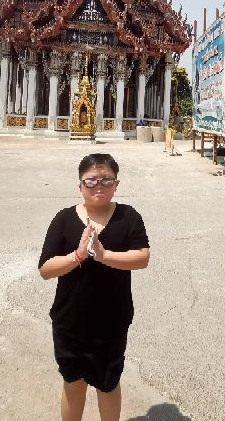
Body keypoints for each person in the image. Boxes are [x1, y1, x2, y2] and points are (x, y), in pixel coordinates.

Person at [38, 153, 150, 421]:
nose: (98, 186)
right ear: (80, 186)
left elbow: (142, 258)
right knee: (73, 385)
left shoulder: (128, 216)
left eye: (106, 180)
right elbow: (45, 269)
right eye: (91, 181)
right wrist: (78, 255)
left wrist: (102, 255)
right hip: (70, 321)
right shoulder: (64, 219)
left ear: (116, 184)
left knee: (108, 385)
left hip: (111, 322)